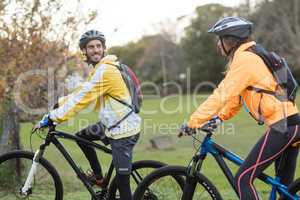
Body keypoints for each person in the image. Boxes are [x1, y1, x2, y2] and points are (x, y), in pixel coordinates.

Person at [179, 16, 300, 200]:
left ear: (229, 39)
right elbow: (236, 99)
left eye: (219, 40)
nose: (218, 45)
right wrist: (219, 118)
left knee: (243, 179)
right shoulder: (252, 55)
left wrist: (193, 122)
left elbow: (222, 94)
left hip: (283, 127)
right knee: (285, 188)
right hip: (290, 124)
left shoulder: (245, 59)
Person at [34, 30, 141, 200]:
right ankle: (98, 177)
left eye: (99, 46)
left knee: (123, 184)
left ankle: (108, 183)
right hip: (112, 124)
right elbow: (82, 91)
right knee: (82, 136)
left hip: (123, 131)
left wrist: (52, 117)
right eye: (91, 47)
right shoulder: (100, 69)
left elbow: (81, 100)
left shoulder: (106, 70)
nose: (96, 49)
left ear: (104, 48)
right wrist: (60, 104)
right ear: (84, 51)